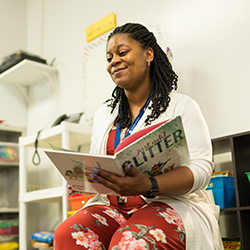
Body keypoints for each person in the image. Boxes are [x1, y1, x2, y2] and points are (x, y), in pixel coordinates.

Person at [54, 23, 223, 250]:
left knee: (132, 241)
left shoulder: (181, 106)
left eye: (122, 53)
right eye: (109, 57)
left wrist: (150, 184)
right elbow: (100, 165)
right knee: (68, 234)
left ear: (148, 54)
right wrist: (86, 181)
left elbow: (201, 170)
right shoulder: (104, 115)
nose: (113, 61)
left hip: (166, 202)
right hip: (112, 207)